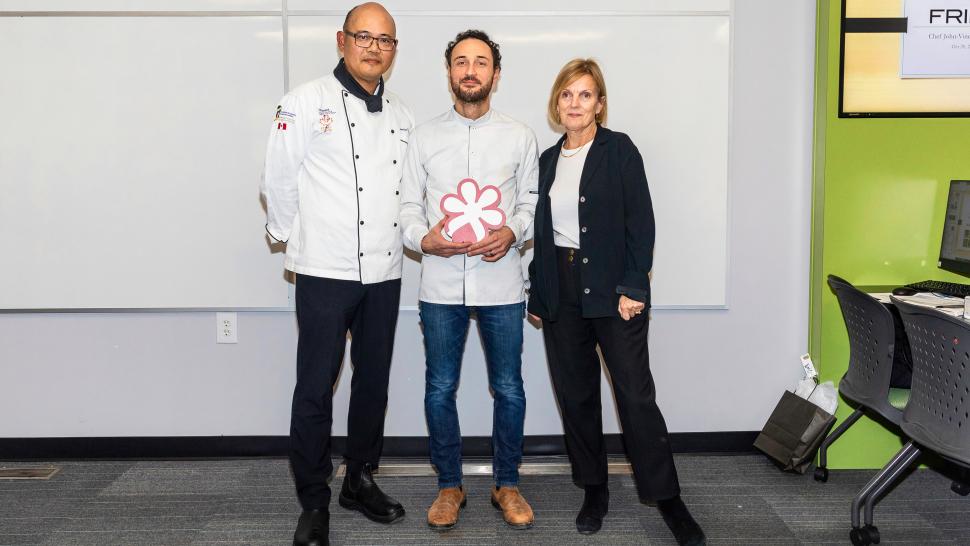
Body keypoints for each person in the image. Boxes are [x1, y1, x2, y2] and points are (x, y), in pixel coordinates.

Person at [526, 58, 706, 546]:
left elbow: (640, 224)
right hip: (560, 292)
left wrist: (634, 286)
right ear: (556, 102)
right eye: (567, 94)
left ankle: (667, 499)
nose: (575, 104)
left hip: (613, 291)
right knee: (577, 396)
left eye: (585, 95)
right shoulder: (545, 161)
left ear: (600, 104)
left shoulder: (620, 151)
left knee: (635, 396)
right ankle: (594, 489)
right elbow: (542, 234)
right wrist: (538, 291)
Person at [260, 3, 414, 545]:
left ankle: (360, 478)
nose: (374, 47)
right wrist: (288, 238)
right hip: (325, 269)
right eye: (363, 36)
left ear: (394, 50)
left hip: (385, 270)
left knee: (372, 383)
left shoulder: (402, 114)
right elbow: (277, 180)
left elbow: (406, 195)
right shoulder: (303, 102)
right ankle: (315, 499)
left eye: (385, 40)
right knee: (316, 387)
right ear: (341, 40)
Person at [399, 29, 539, 531]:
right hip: (439, 285)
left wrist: (513, 232)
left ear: (495, 75)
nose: (471, 71)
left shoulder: (520, 136)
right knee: (440, 388)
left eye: (481, 62)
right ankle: (448, 487)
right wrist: (423, 240)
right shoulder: (423, 137)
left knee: (510, 389)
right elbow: (408, 208)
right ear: (449, 72)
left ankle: (507, 483)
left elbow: (529, 203)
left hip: (500, 282)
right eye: (461, 62)